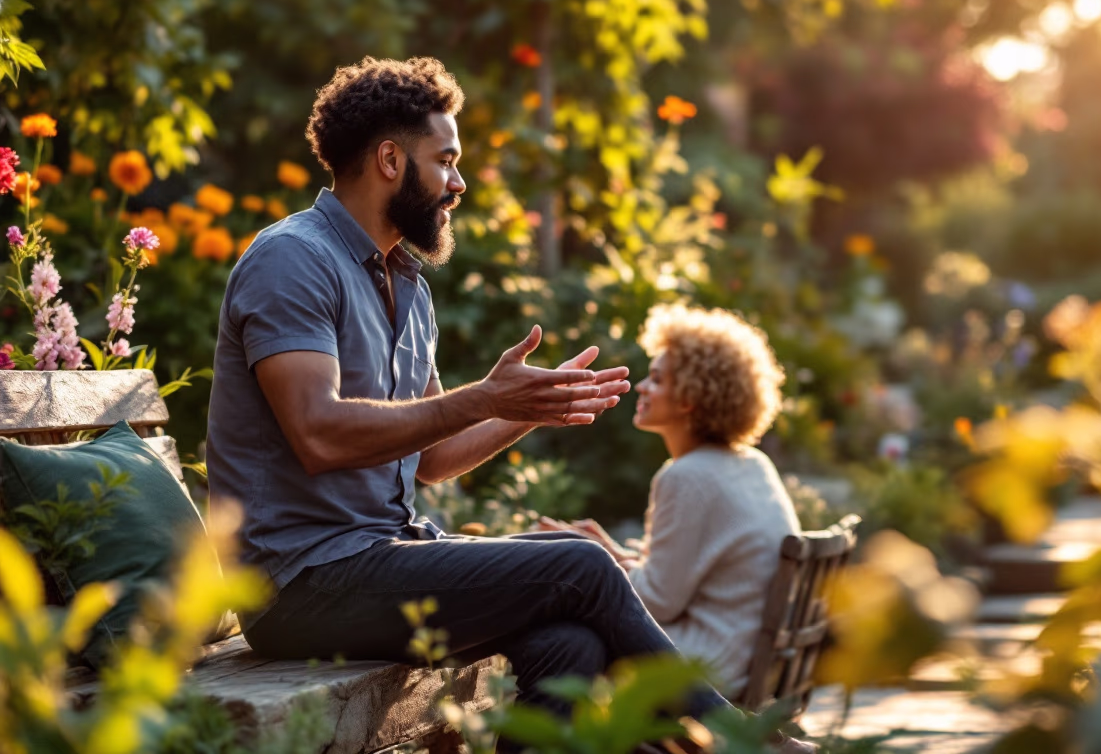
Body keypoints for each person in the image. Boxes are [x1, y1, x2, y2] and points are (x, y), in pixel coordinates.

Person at [205, 57, 817, 751]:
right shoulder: (292, 260)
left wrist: (526, 408)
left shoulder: (407, 284)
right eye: (445, 161)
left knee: (568, 639)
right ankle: (741, 740)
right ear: (387, 159)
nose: (458, 183)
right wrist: (483, 397)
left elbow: (430, 460)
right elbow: (318, 433)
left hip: (379, 555)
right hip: (299, 586)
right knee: (580, 565)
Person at [541, 303, 800, 698]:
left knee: (565, 640)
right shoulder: (750, 463)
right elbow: (674, 582)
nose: (642, 386)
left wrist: (596, 556)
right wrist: (607, 550)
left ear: (690, 398)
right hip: (751, 660)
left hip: (708, 669)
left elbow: (657, 604)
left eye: (657, 379)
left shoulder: (687, 476)